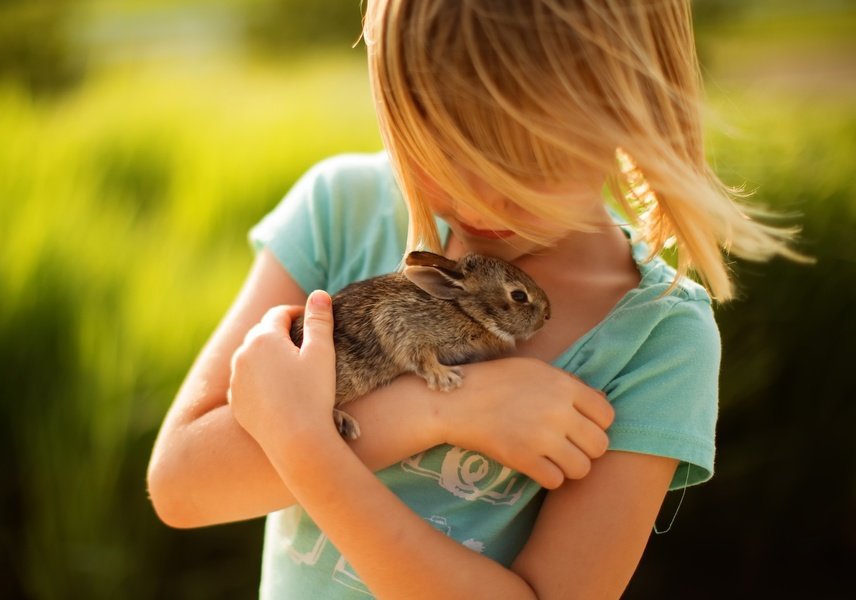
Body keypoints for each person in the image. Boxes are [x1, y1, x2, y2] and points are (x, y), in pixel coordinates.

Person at [147, 1, 798, 597]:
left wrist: (306, 439)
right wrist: (439, 410)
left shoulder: (657, 337)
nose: (477, 195)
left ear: (634, 108)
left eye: (525, 163)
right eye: (436, 149)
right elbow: (181, 488)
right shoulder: (341, 210)